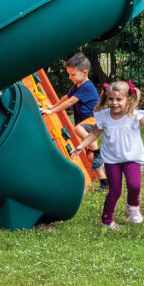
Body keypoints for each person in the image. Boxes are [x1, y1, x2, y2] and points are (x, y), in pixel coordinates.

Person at [71, 80, 144, 229]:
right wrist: (80, 146)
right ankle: (106, 221)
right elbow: (94, 134)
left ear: (128, 99)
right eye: (111, 99)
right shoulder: (103, 117)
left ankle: (133, 206)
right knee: (115, 190)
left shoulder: (134, 115)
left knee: (134, 185)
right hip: (112, 160)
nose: (114, 102)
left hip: (131, 158)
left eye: (119, 99)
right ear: (106, 98)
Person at [42, 52, 108, 188]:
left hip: (93, 120)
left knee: (78, 129)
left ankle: (98, 152)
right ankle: (105, 183)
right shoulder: (77, 85)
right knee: (90, 156)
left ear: (85, 72)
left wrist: (51, 112)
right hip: (87, 124)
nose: (70, 77)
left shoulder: (87, 87)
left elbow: (70, 102)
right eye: (69, 74)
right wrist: (53, 106)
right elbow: (66, 98)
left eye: (72, 74)